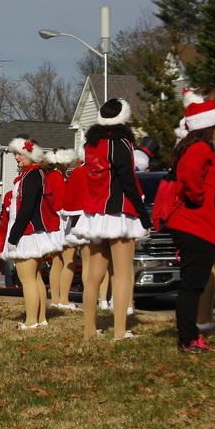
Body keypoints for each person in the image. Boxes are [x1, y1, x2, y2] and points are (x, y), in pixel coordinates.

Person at [71, 99, 152, 340]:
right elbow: (128, 181)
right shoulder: (121, 143)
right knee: (123, 273)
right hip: (118, 213)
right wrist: (144, 216)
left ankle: (88, 330)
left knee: (94, 275)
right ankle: (119, 332)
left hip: (95, 213)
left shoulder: (92, 144)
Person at [166, 99, 215, 353]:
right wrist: (199, 197)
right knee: (192, 285)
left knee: (193, 284)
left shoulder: (198, 148)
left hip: (199, 225)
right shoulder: (201, 149)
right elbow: (191, 176)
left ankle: (189, 335)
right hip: (196, 226)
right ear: (213, 127)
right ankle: (188, 338)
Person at [1, 137, 62, 330]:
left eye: (20, 153)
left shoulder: (32, 175)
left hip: (27, 234)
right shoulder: (33, 174)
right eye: (15, 153)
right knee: (35, 278)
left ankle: (31, 321)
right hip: (32, 232)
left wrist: (13, 236)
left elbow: (26, 209)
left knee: (27, 280)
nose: (17, 157)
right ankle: (40, 318)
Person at [47, 148, 80, 310]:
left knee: (57, 261)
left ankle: (55, 299)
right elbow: (60, 203)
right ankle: (64, 299)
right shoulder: (58, 177)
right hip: (63, 224)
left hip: (54, 224)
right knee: (69, 261)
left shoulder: (50, 176)